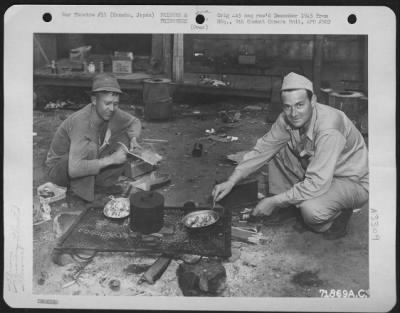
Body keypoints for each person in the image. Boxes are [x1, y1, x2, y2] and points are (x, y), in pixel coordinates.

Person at [212, 72, 369, 240]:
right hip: (322, 172)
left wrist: (274, 202)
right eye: (288, 106)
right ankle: (288, 206)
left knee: (311, 211)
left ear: (313, 100)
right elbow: (263, 149)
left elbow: (317, 182)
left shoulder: (329, 128)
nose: (293, 113)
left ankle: (339, 214)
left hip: (351, 182)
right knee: (276, 147)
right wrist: (232, 180)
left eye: (300, 105)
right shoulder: (287, 119)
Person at [45, 73, 141, 202]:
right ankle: (80, 193)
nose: (112, 109)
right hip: (59, 172)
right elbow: (74, 170)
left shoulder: (110, 110)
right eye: (107, 103)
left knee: (124, 137)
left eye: (116, 104)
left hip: (79, 161)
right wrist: (111, 159)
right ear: (94, 100)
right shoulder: (81, 122)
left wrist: (134, 138)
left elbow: (134, 122)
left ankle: (100, 183)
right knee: (90, 147)